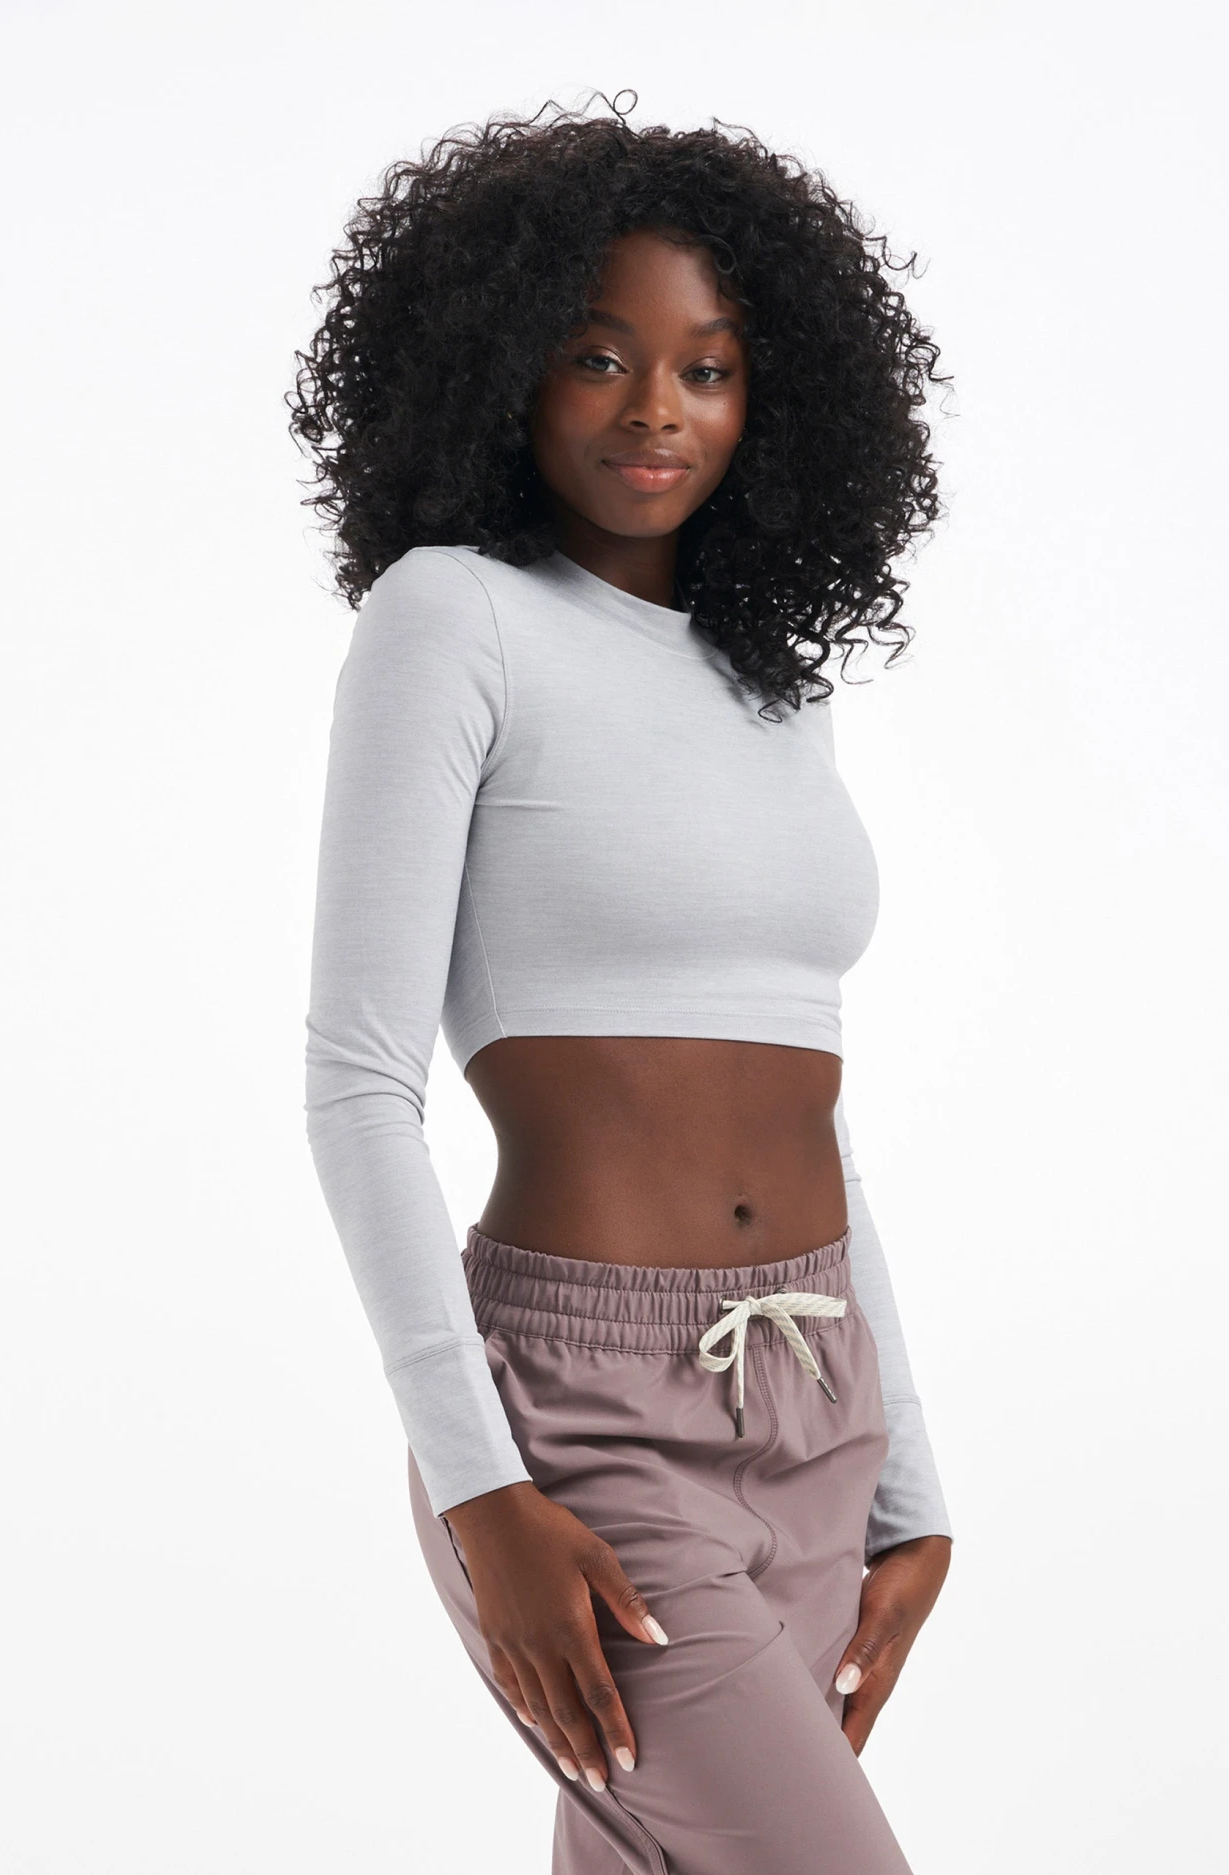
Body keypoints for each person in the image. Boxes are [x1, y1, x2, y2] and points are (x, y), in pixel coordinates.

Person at [290, 94, 955, 1875]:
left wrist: (911, 1478)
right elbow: (358, 1083)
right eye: (599, 355)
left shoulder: (772, 683)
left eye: (708, 368)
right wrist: (481, 1486)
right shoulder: (452, 619)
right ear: (501, 363)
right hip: (581, 1415)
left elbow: (810, 1107)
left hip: (816, 1396)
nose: (657, 408)